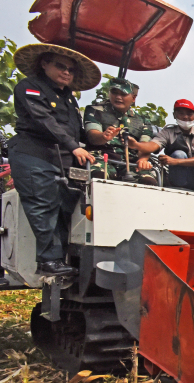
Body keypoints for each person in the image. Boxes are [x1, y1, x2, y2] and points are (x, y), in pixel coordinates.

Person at [8, 44, 101, 277]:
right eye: (61, 66)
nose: (67, 72)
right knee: (44, 205)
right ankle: (48, 261)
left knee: (64, 208)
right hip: (33, 154)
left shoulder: (69, 98)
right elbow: (44, 120)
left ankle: (59, 260)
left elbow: (76, 132)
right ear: (44, 63)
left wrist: (99, 140)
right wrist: (73, 147)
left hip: (60, 159)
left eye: (70, 69)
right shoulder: (30, 87)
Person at [132, 99, 194, 213]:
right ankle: (179, 193)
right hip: (178, 178)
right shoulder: (168, 132)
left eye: (189, 114)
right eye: (181, 113)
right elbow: (153, 146)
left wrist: (174, 161)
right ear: (174, 115)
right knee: (179, 154)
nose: (185, 117)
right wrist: (136, 145)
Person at [83, 77, 157, 185]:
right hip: (101, 158)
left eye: (123, 94)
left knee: (149, 181)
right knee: (98, 176)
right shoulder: (95, 110)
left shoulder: (143, 121)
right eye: (114, 92)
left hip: (130, 163)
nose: (118, 97)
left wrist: (143, 159)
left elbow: (144, 146)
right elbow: (92, 136)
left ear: (133, 98)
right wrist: (103, 136)